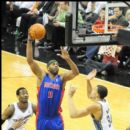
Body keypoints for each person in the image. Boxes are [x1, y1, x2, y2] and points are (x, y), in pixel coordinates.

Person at [26, 34, 79, 130]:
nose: (56, 65)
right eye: (53, 64)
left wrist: (68, 59)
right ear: (48, 68)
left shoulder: (62, 78)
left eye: (57, 65)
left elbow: (76, 72)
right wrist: (29, 42)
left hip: (55, 118)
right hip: (42, 117)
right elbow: (30, 60)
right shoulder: (42, 76)